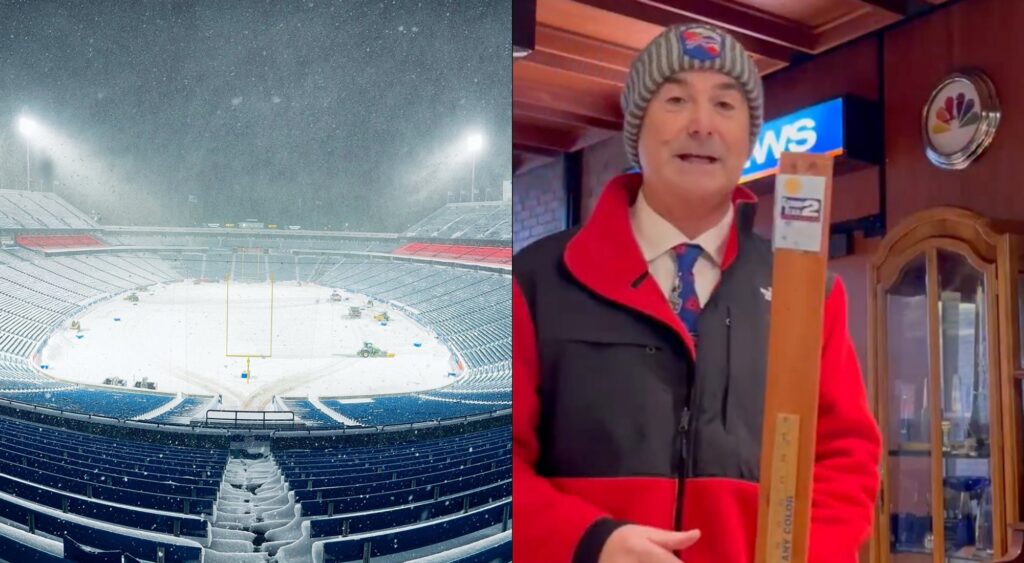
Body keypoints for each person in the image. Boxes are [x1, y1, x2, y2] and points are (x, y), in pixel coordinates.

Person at [512, 23, 881, 563]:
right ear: (636, 128)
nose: (702, 124)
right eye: (677, 99)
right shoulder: (538, 281)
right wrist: (589, 542)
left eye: (726, 106)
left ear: (750, 138)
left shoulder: (806, 294)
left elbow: (843, 462)